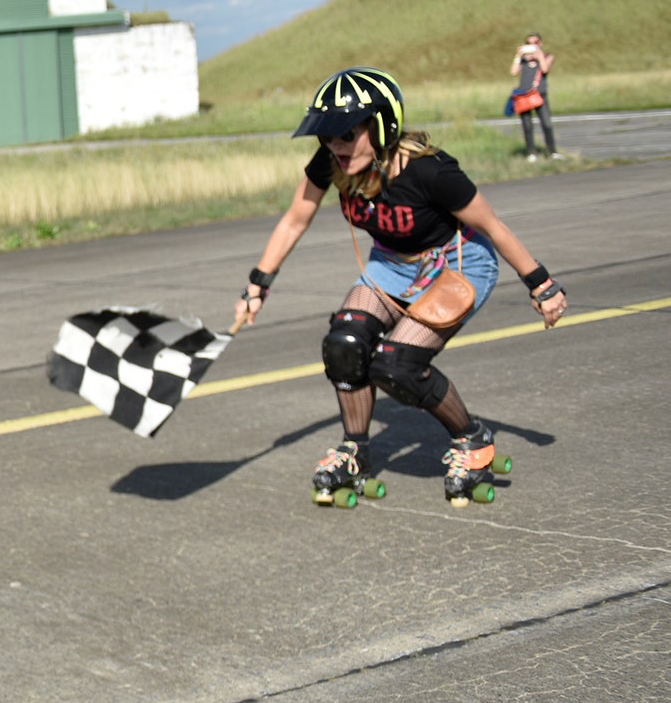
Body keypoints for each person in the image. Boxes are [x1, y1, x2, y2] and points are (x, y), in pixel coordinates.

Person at [235, 67, 568, 505]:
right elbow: (295, 219)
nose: (336, 146)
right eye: (328, 137)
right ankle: (355, 449)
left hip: (457, 264)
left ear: (380, 127)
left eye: (346, 135)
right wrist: (258, 285)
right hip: (392, 264)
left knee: (398, 366)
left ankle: (473, 440)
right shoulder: (332, 165)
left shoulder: (430, 172)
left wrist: (542, 286)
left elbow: (494, 226)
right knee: (345, 345)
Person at [510, 33, 558, 161]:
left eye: (535, 42)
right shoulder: (524, 60)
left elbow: (545, 69)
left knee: (546, 123)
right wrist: (518, 56)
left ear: (540, 43)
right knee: (527, 125)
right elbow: (513, 72)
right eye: (529, 43)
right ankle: (531, 152)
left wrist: (539, 56)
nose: (532, 45)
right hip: (524, 95)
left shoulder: (547, 56)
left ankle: (552, 151)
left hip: (539, 95)